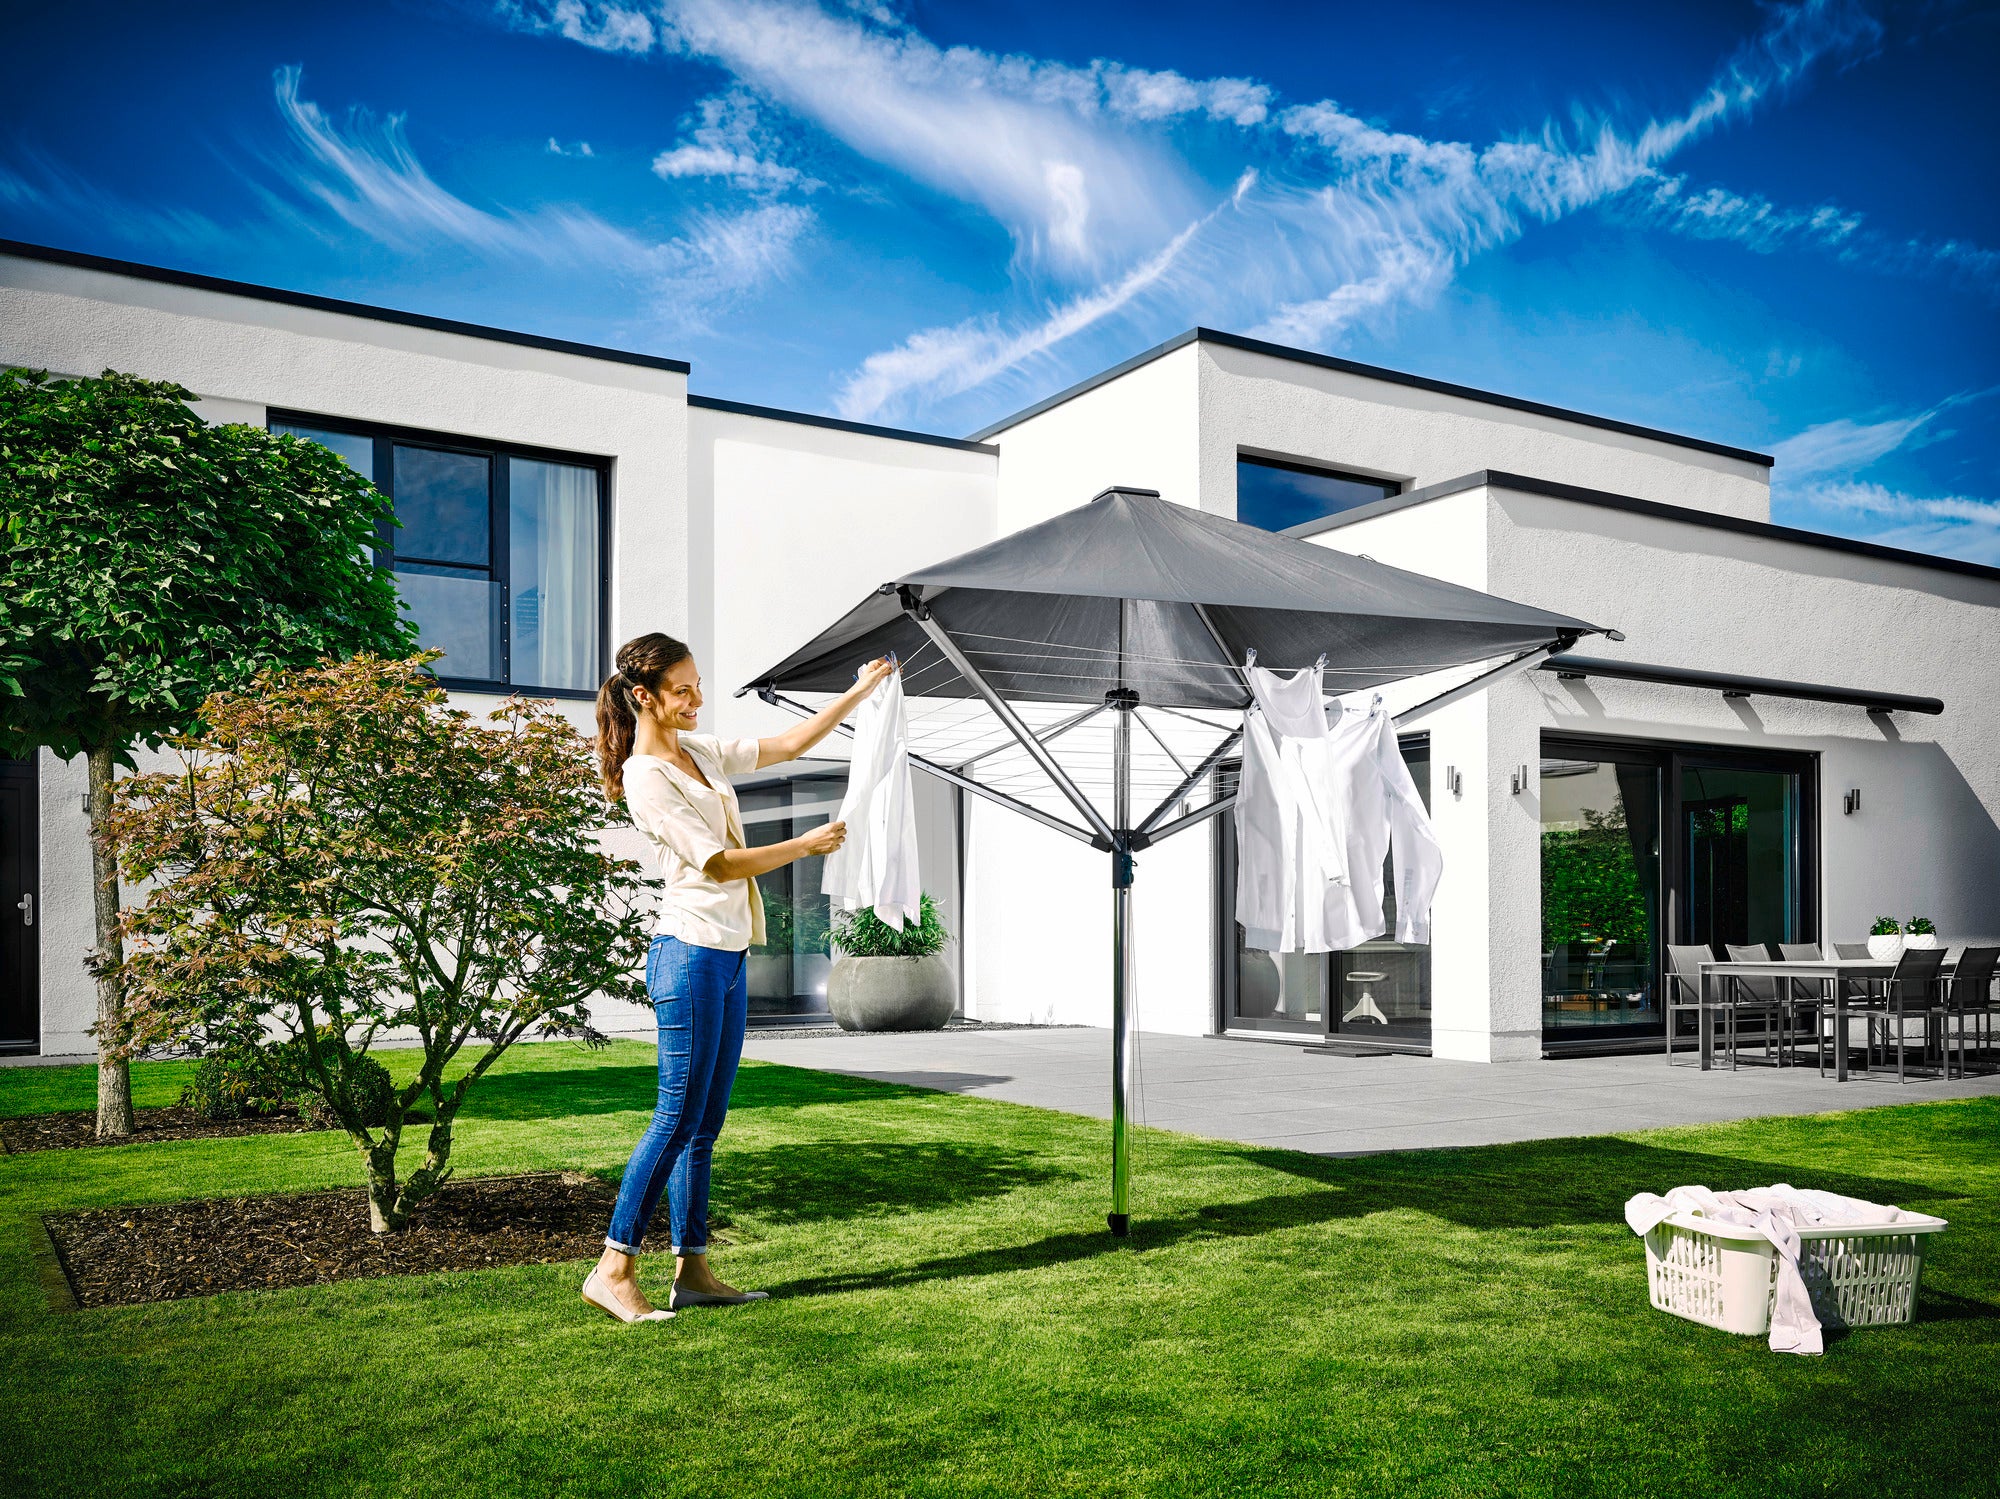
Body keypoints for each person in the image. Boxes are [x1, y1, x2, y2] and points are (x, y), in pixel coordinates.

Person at [583, 632, 893, 1323]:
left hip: (725, 955)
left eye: (698, 685)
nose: (696, 699)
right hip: (687, 953)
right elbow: (717, 864)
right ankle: (612, 1267)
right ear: (646, 697)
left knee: (705, 1124)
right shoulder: (647, 776)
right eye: (682, 689)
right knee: (675, 1117)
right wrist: (805, 846)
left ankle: (691, 1269)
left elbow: (784, 748)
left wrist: (856, 694)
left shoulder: (695, 751)